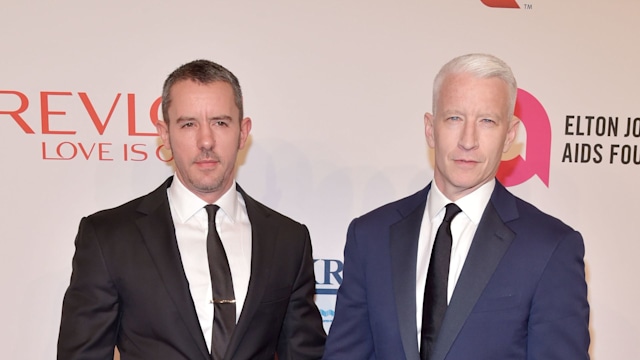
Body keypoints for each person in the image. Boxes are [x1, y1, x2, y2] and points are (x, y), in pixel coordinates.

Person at [323, 53, 590, 360]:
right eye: (454, 118)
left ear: (509, 136)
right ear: (429, 128)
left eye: (487, 121)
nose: (468, 140)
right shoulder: (370, 236)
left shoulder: (550, 247)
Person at [57, 59, 326, 360]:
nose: (206, 141)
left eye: (220, 122)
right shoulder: (108, 237)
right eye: (188, 124)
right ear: (164, 133)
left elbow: (305, 354)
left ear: (242, 132)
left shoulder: (288, 239)